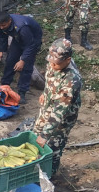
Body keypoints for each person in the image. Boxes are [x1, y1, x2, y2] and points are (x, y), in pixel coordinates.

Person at [33, 39, 82, 176]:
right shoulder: (54, 62)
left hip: (62, 118)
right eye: (51, 61)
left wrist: (45, 135)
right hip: (48, 108)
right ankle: (34, 170)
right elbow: (50, 80)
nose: (52, 65)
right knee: (35, 136)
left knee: (52, 147)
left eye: (56, 63)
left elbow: (59, 113)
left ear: (68, 60)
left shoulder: (72, 81)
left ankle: (50, 175)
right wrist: (45, 93)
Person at [0, 11, 43, 101]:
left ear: (9, 21)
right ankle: (4, 85)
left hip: (32, 41)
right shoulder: (1, 24)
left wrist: (22, 60)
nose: (1, 27)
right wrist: (1, 50)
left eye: (3, 25)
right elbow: (2, 37)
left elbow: (30, 45)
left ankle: (22, 92)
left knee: (26, 67)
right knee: (10, 61)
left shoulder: (22, 27)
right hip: (18, 38)